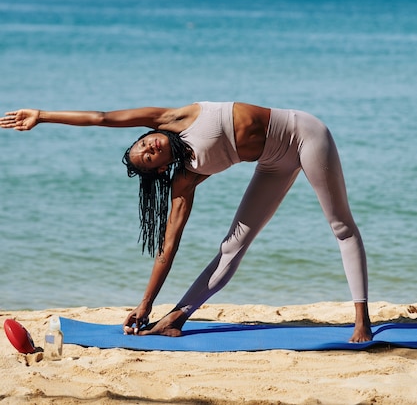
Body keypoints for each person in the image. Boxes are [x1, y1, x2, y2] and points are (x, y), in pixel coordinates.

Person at [0, 101, 372, 342]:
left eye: (145, 144)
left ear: (151, 133)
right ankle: (179, 314)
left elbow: (102, 118)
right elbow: (168, 247)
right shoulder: (186, 178)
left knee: (340, 226)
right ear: (161, 170)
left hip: (304, 134)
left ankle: (362, 320)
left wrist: (43, 116)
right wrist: (145, 305)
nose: (149, 149)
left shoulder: (176, 117)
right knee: (232, 247)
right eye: (148, 159)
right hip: (274, 163)